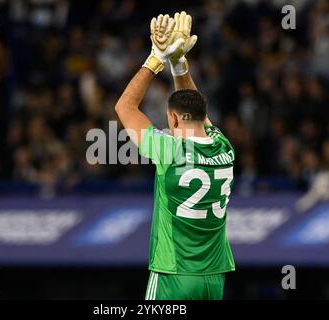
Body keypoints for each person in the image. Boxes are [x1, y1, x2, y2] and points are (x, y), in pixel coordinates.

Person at [115, 12, 235, 300]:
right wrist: (179, 65)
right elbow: (196, 108)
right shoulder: (224, 149)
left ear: (173, 119)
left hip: (174, 274)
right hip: (214, 277)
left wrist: (156, 58)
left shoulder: (169, 151)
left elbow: (125, 108)